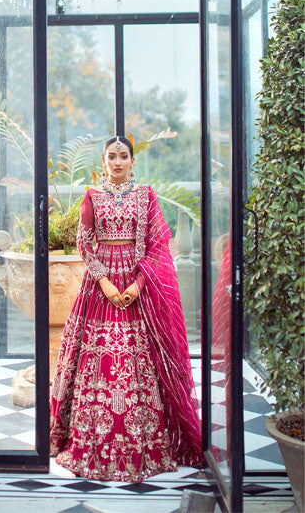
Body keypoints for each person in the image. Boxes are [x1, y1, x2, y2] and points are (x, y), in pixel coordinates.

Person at [50, 135, 202, 482]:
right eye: (111, 156)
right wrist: (103, 281)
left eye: (123, 156)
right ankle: (90, 443)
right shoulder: (93, 196)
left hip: (137, 285)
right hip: (99, 287)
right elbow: (83, 243)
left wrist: (138, 284)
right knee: (94, 361)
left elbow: (158, 243)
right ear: (102, 162)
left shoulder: (145, 196)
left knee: (140, 360)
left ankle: (144, 445)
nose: (117, 162)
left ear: (132, 162)